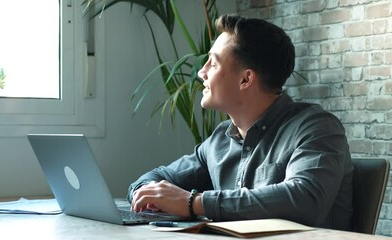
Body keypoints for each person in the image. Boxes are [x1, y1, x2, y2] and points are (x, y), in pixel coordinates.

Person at [127, 13, 353, 230]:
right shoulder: (219, 140)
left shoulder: (317, 128)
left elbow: (305, 199)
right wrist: (145, 193)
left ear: (246, 79)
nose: (201, 73)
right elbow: (157, 178)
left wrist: (194, 203)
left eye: (213, 64)